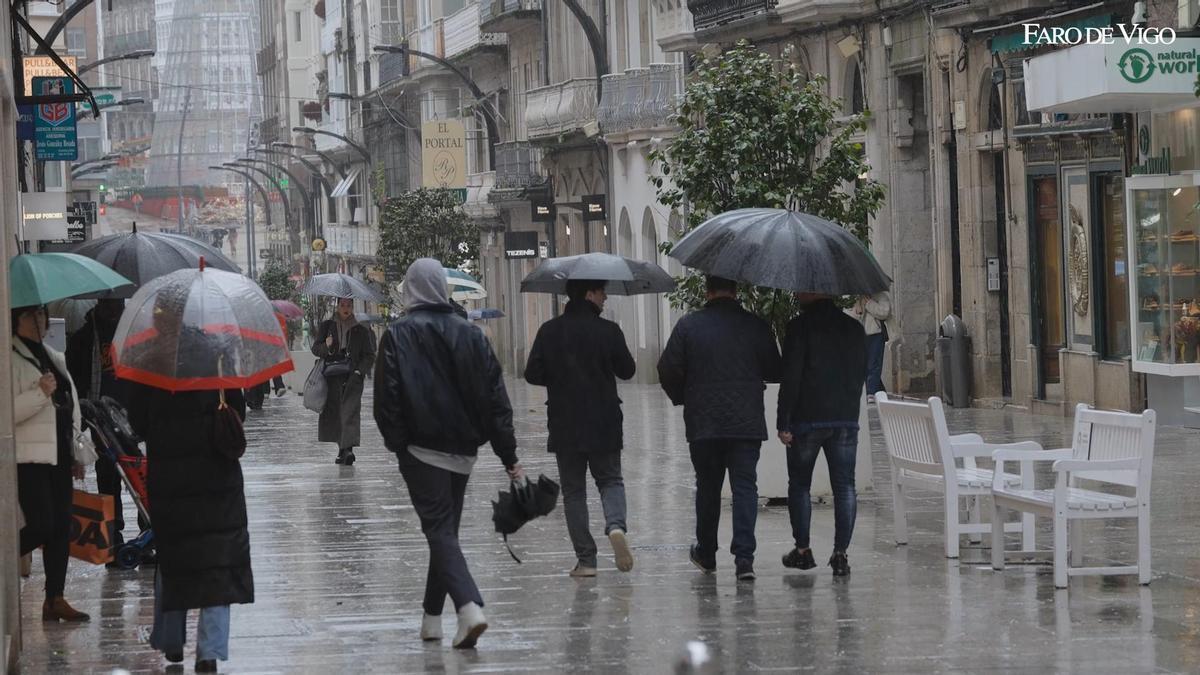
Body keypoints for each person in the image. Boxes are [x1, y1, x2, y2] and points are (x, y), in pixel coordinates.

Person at [374, 258, 523, 650]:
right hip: (462, 452)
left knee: (440, 533)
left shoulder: (397, 334)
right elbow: (496, 401)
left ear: (410, 290)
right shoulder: (471, 335)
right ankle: (431, 621)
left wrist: (399, 443)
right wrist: (508, 455)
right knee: (445, 534)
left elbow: (386, 399)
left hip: (421, 451)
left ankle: (469, 606)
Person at [123, 292, 252, 672]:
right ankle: (209, 652)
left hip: (170, 478)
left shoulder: (147, 359)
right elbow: (238, 410)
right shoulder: (217, 352)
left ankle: (172, 641)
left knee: (175, 559)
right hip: (217, 476)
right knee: (218, 561)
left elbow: (138, 423)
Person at [657, 276, 781, 581]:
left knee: (708, 487)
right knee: (744, 487)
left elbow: (667, 368)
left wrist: (685, 397)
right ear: (736, 290)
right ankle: (744, 560)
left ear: (707, 291)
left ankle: (707, 553)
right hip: (746, 421)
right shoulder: (756, 325)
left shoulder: (688, 326)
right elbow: (775, 370)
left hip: (704, 421)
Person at [525, 279, 636, 577]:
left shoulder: (549, 331)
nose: (605, 299)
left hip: (565, 423)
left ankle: (586, 561)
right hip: (604, 421)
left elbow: (532, 373)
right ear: (589, 293)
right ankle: (615, 526)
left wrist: (559, 374)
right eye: (602, 293)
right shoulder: (608, 331)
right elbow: (628, 370)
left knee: (574, 493)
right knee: (610, 480)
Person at [777, 293, 866, 578]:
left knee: (800, 484)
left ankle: (802, 552)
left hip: (807, 419)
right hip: (844, 419)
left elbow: (791, 377)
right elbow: (862, 371)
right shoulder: (854, 328)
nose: (797, 293)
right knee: (845, 487)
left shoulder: (798, 327)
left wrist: (783, 420)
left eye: (803, 289)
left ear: (814, 292)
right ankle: (840, 555)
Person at [11, 305, 90, 622]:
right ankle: (5, 559)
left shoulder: (53, 356)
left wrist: (74, 453)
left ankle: (54, 598)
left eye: (42, 315)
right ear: (16, 321)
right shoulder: (10, 359)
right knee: (41, 524)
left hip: (59, 455)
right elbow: (7, 413)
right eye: (31, 316)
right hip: (30, 457)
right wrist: (39, 394)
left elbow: (68, 405)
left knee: (60, 528)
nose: (40, 321)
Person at [66, 299, 150, 559]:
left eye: (116, 301)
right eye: (108, 301)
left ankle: (147, 535)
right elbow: (75, 382)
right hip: (100, 420)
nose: (113, 306)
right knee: (108, 478)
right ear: (99, 301)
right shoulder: (84, 338)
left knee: (142, 476)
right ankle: (113, 538)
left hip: (135, 416)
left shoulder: (135, 332)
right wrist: (78, 422)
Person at [311, 298, 376, 465]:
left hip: (352, 377)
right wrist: (326, 345)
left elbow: (369, 355)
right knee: (336, 414)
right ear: (337, 306)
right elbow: (316, 349)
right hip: (332, 377)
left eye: (349, 305)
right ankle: (342, 449)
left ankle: (348, 450)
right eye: (343, 305)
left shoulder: (361, 329)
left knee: (350, 412)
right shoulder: (327, 326)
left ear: (352, 307)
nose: (346, 308)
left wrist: (359, 371)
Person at [853, 290, 891, 402]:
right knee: (864, 365)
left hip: (876, 334)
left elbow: (884, 312)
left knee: (874, 364)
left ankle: (871, 392)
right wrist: (858, 311)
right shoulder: (859, 296)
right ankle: (880, 390)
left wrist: (869, 303)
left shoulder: (881, 295)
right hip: (861, 334)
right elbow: (854, 316)